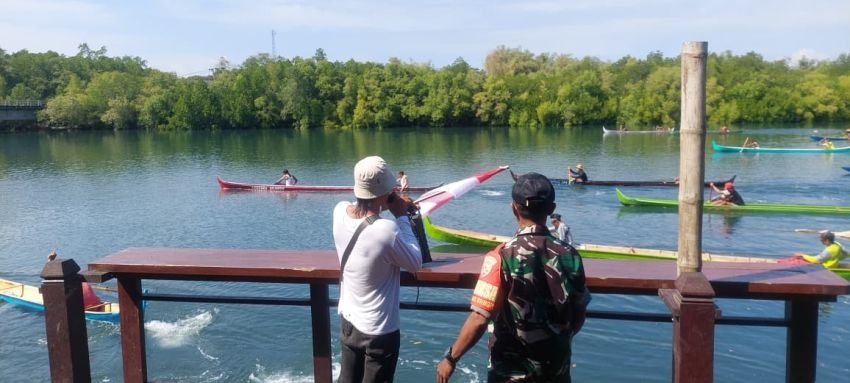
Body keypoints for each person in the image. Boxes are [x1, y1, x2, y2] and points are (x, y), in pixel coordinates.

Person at [436, 172, 591, 383]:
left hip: (509, 373)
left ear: (513, 208)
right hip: (556, 370)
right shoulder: (570, 255)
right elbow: (579, 314)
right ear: (551, 209)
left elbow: (480, 317)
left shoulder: (501, 256)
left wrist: (451, 358)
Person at [333, 155, 423, 383]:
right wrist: (401, 216)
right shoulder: (386, 230)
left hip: (349, 322)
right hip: (379, 330)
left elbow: (361, 211)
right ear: (386, 191)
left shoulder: (339, 211)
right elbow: (415, 262)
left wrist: (383, 200)